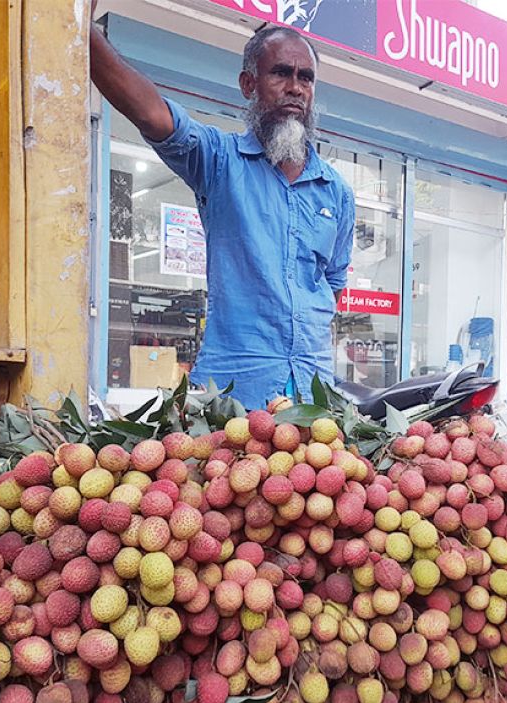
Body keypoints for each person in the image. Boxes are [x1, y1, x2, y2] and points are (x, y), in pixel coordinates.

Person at [89, 6, 355, 410]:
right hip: (236, 392)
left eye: (306, 78)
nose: (295, 88)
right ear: (249, 84)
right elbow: (153, 115)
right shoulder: (220, 160)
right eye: (281, 73)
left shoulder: (336, 192)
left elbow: (332, 282)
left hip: (314, 390)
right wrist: (82, 32)